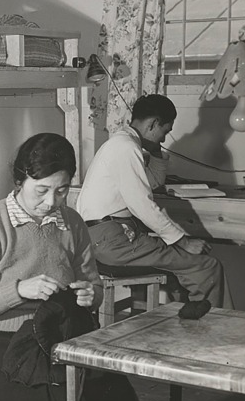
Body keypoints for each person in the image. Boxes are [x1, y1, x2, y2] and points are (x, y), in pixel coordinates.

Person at [0, 133, 119, 401]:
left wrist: (93, 295)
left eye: (61, 190)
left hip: (62, 337)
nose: (51, 201)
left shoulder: (71, 222)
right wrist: (19, 290)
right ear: (19, 181)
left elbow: (94, 283)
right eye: (41, 190)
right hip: (7, 346)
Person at [76, 94, 224, 315]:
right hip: (113, 240)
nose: (164, 139)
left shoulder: (122, 143)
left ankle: (191, 322)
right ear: (153, 124)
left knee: (185, 266)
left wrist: (155, 152)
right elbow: (142, 205)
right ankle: (215, 329)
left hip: (107, 237)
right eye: (164, 131)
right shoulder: (126, 148)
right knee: (206, 265)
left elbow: (151, 183)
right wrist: (182, 241)